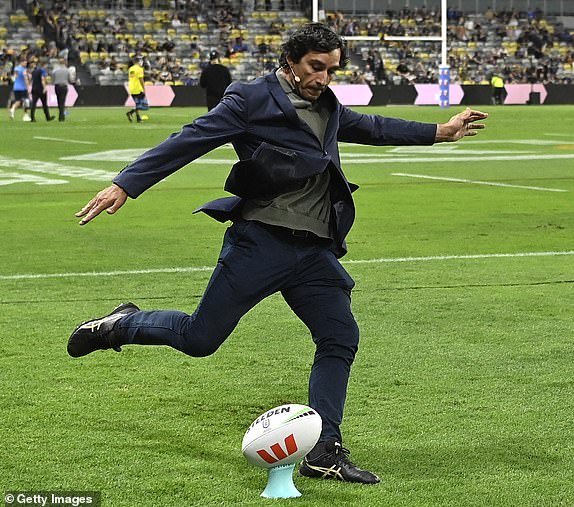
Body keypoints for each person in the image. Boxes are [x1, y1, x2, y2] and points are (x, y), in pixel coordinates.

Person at [68, 23, 487, 484]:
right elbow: (188, 139)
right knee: (199, 339)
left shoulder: (326, 105)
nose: (324, 77)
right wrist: (127, 183)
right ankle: (119, 325)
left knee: (340, 335)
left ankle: (324, 449)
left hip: (312, 252)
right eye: (316, 67)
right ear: (291, 59)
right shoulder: (250, 99)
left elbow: (372, 126)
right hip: (260, 243)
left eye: (332, 69)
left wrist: (439, 131)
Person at [9, 57, 31, 121]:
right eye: (24, 62)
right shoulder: (24, 70)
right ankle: (25, 116)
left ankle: (12, 109)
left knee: (18, 101)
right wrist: (28, 87)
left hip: (16, 87)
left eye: (26, 62)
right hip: (23, 88)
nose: (26, 63)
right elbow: (25, 79)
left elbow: (14, 77)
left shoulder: (16, 68)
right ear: (21, 62)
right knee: (26, 101)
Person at [126, 56, 147, 123]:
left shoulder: (131, 69)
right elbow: (141, 79)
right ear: (138, 61)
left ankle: (138, 118)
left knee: (137, 104)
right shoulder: (139, 69)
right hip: (138, 88)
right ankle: (130, 113)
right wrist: (144, 88)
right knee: (142, 105)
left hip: (132, 88)